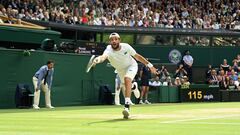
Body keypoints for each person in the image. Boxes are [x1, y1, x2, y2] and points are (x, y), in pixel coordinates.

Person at [92, 33, 157, 119]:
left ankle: (127, 106)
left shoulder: (126, 46)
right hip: (120, 70)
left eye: (116, 39)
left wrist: (150, 65)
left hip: (131, 66)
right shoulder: (108, 49)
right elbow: (103, 57)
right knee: (127, 84)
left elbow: (137, 56)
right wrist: (98, 59)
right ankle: (134, 87)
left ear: (119, 40)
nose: (114, 41)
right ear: (110, 42)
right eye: (112, 40)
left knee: (127, 79)